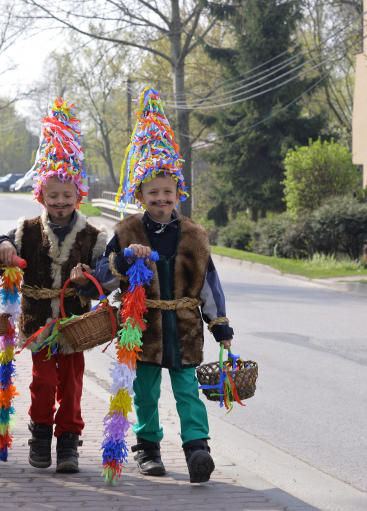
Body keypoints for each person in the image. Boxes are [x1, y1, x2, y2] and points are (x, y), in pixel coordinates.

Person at [95, 87, 234, 484]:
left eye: (167, 192)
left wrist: (218, 322)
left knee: (188, 389)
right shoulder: (126, 231)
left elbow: (209, 282)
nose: (161, 199)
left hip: (186, 326)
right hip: (145, 329)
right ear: (140, 193)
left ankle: (197, 449)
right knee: (147, 391)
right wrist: (124, 260)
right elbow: (106, 273)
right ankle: (148, 447)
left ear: (178, 194)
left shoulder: (193, 234)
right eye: (152, 193)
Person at [0, 99, 107, 473]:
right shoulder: (25, 230)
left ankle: (69, 441)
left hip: (75, 324)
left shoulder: (93, 236)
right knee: (43, 381)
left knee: (72, 385)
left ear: (79, 196)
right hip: (38, 321)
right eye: (53, 196)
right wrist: (2, 248)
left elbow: (106, 275)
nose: (60, 203)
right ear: (41, 195)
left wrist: (88, 278)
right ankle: (40, 434)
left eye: (67, 197)